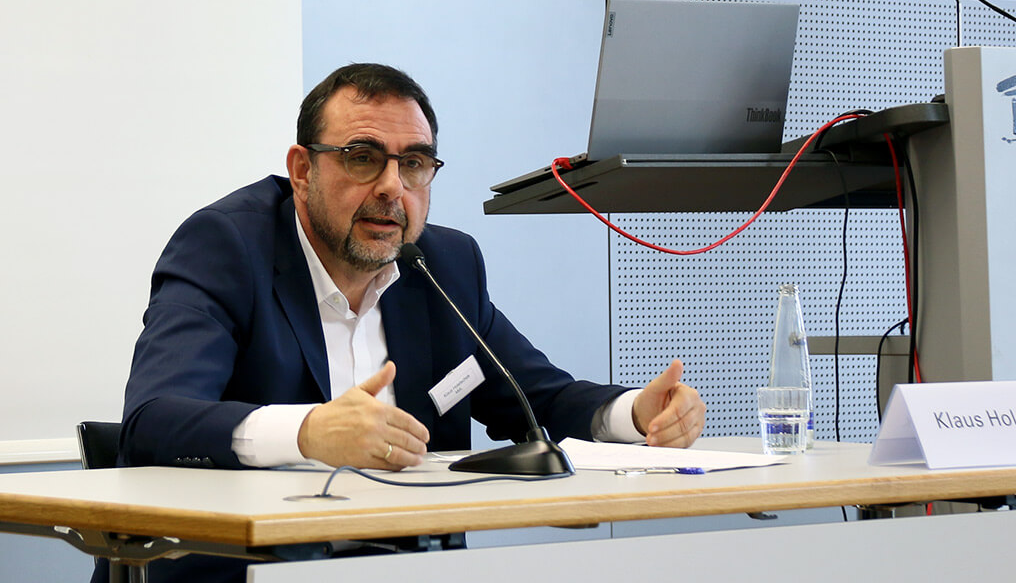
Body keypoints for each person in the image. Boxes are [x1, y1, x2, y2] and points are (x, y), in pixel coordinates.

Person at [100, 63, 705, 582]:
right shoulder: (227, 246)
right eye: (363, 158)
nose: (392, 187)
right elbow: (154, 421)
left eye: (413, 163)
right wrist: (310, 431)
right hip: (250, 574)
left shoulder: (444, 265)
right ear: (303, 170)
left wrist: (635, 414)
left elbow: (535, 397)